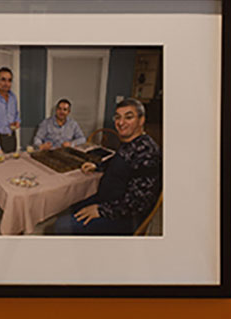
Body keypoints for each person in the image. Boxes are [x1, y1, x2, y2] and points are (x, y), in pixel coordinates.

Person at [54, 98, 161, 235]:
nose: (121, 123)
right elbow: (119, 161)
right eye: (117, 117)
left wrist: (101, 210)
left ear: (141, 120)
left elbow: (139, 202)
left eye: (128, 117)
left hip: (124, 217)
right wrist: (97, 166)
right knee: (69, 206)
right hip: (108, 200)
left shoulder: (148, 152)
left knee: (61, 226)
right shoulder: (130, 143)